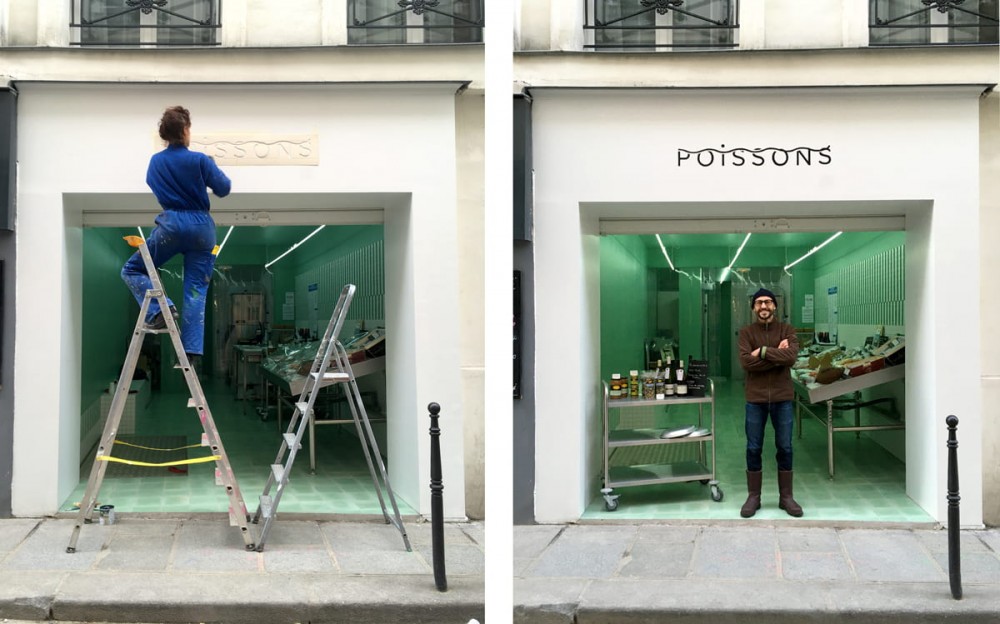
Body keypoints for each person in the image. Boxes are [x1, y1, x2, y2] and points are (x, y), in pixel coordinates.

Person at [121, 105, 231, 373]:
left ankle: (161, 311)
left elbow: (152, 183)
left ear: (165, 135)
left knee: (133, 269)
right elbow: (224, 189)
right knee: (195, 291)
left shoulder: (156, 162)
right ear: (185, 130)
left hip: (171, 225)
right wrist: (210, 168)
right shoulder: (200, 160)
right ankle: (190, 352)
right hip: (202, 228)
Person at [737, 288, 803, 518]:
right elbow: (746, 363)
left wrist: (763, 351)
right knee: (753, 447)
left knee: (784, 447)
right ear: (754, 308)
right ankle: (753, 496)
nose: (763, 306)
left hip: (782, 398)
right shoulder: (746, 333)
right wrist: (777, 356)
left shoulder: (787, 330)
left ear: (775, 306)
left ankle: (786, 497)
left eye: (767, 302)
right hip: (755, 399)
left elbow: (791, 358)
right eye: (758, 303)